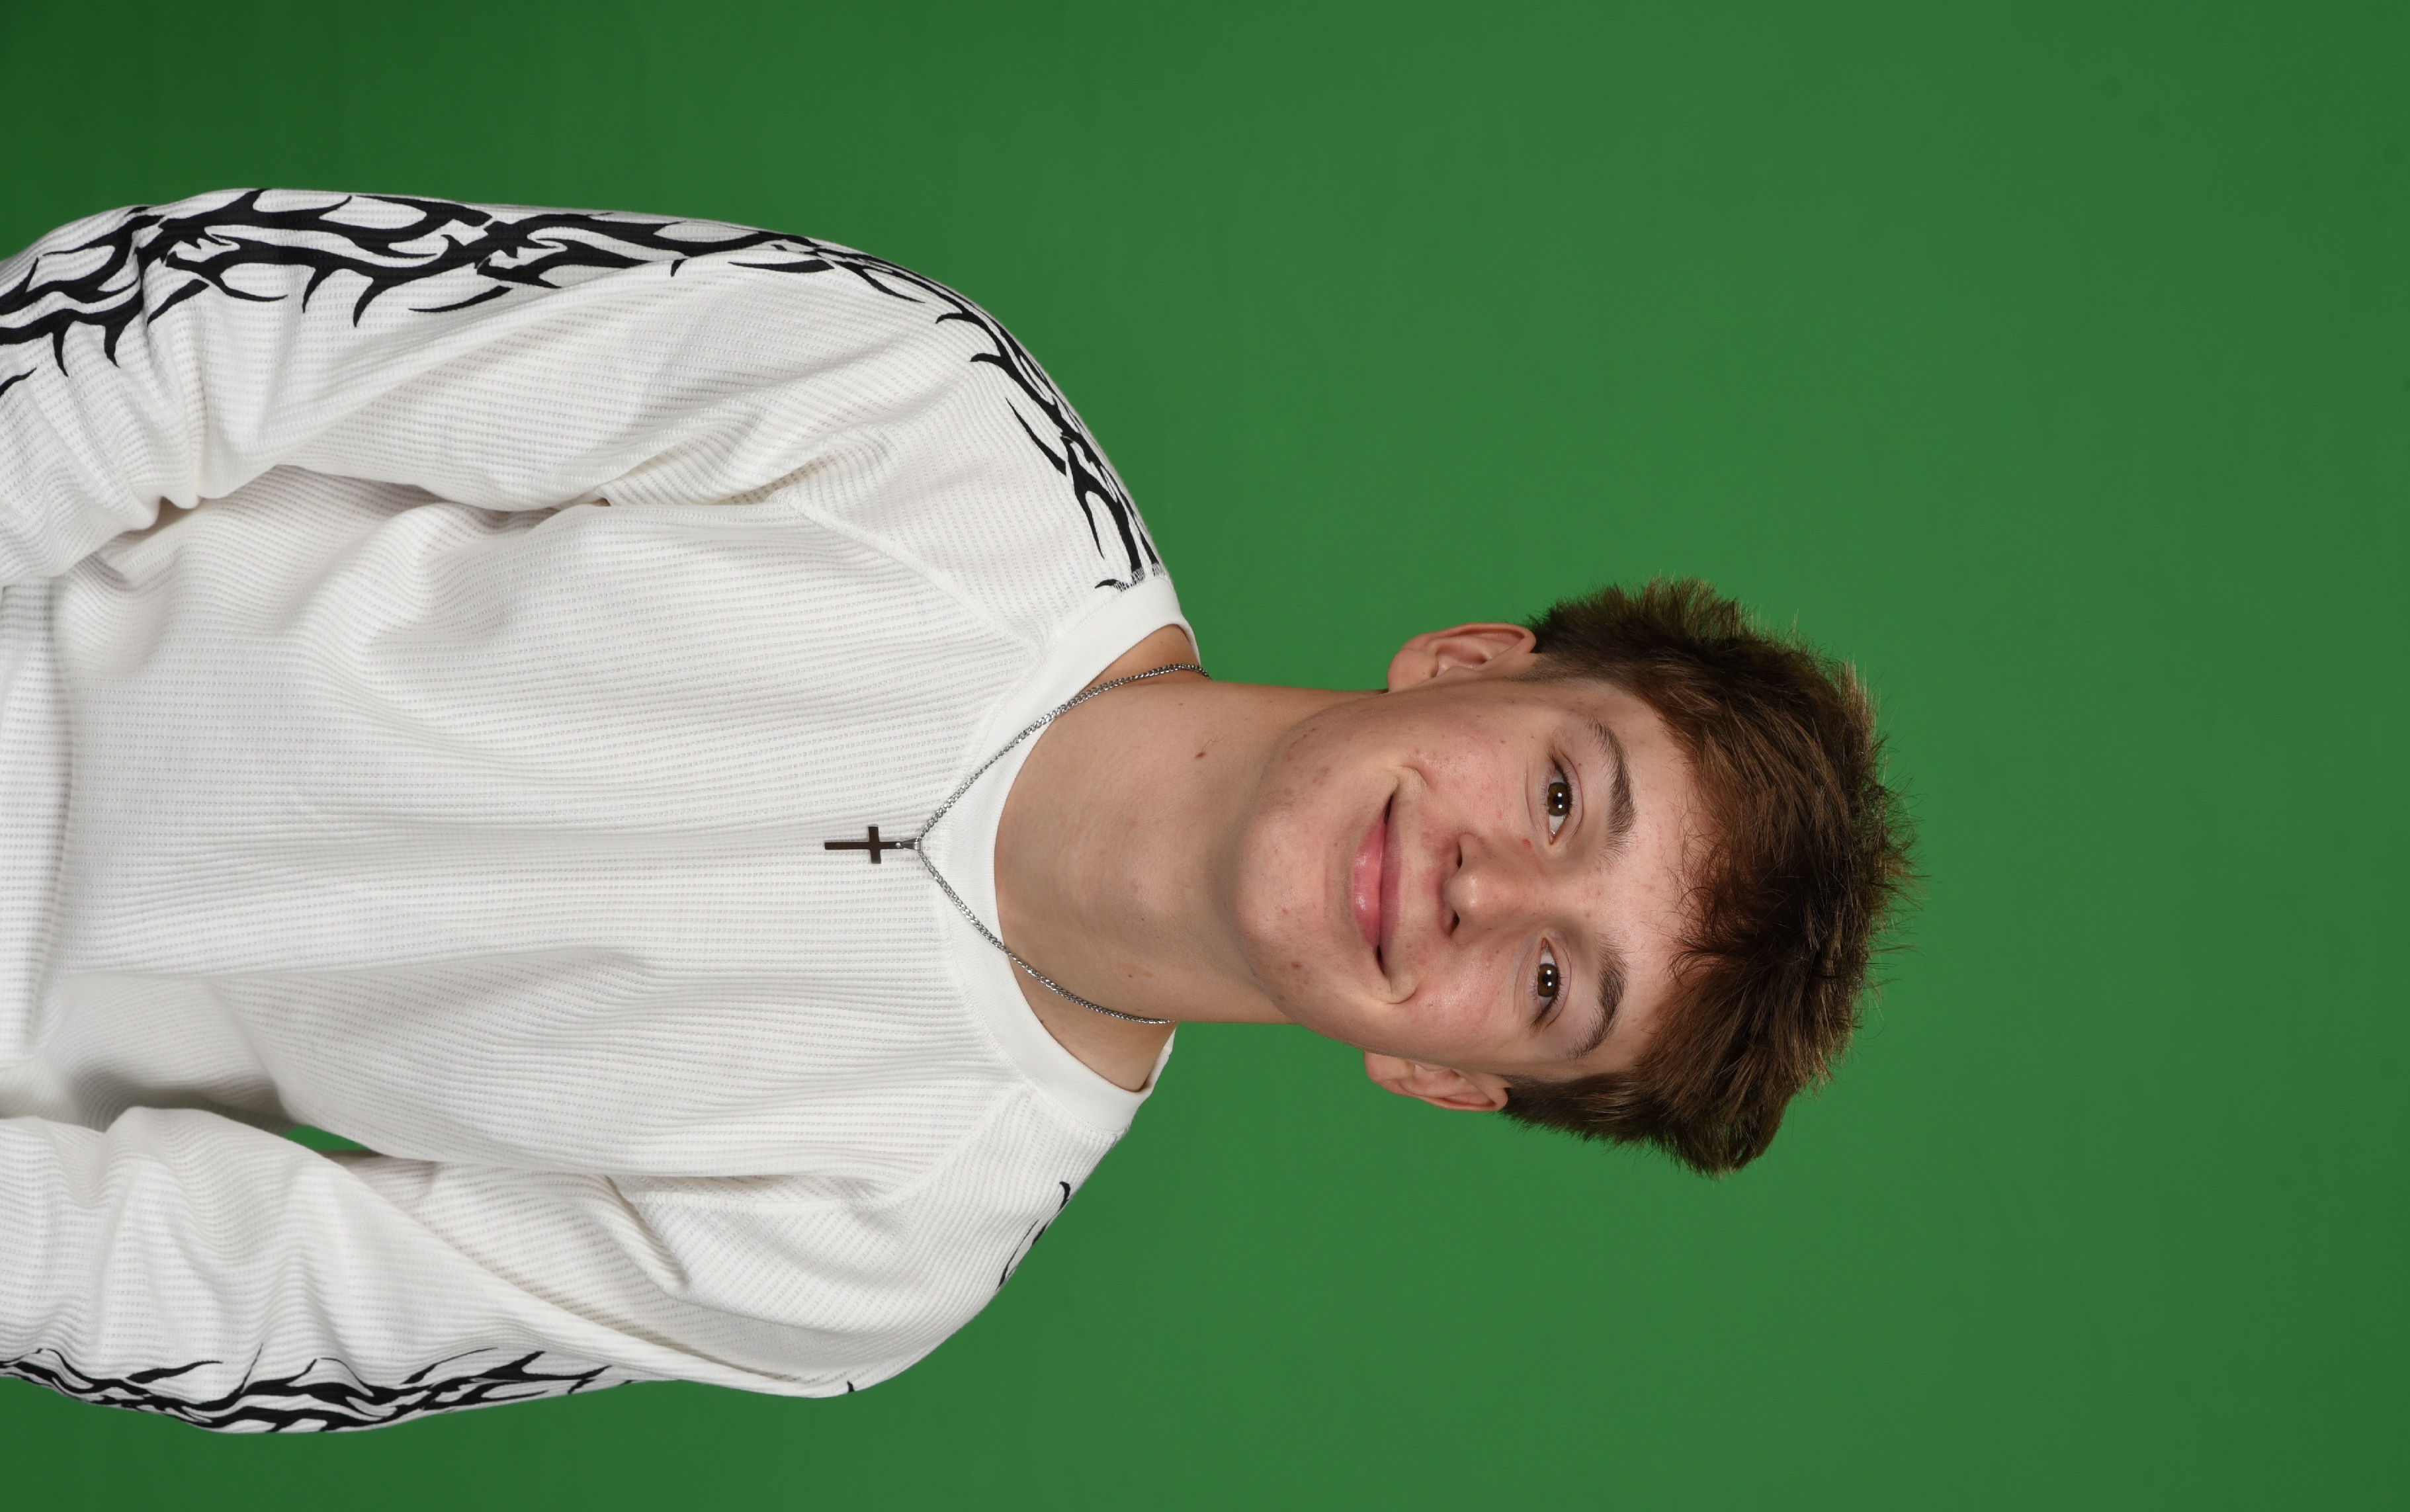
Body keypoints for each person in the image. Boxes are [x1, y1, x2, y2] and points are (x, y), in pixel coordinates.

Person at [0, 190, 1909, 1432]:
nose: (1488, 888)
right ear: (1471, 662)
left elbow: (272, 1307)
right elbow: (235, 325)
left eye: (1556, 985)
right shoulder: (933, 426)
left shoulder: (883, 1255)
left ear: (1442, 1076)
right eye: (1565, 793)